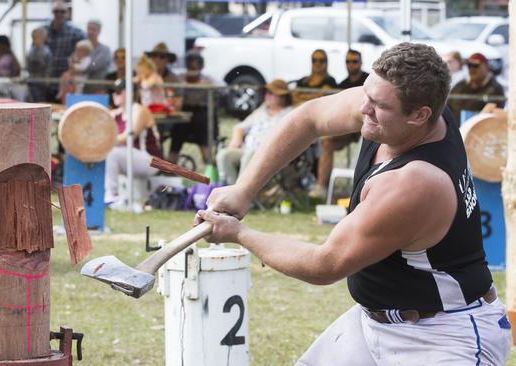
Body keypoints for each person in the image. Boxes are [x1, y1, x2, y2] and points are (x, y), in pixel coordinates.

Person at [195, 43, 511, 365]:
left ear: (419, 115)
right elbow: (310, 117)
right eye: (367, 96)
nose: (364, 109)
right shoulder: (400, 108)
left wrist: (238, 233)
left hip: (442, 337)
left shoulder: (415, 182)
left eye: (378, 105)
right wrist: (244, 189)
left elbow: (324, 265)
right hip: (374, 321)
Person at [310, 49, 368, 199]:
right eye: (348, 61)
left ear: (361, 63)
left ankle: (364, 189)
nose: (351, 65)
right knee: (327, 141)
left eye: (354, 61)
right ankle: (321, 186)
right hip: (350, 126)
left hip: (370, 124)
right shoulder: (342, 84)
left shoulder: (368, 80)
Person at [216, 79, 292, 185]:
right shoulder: (262, 111)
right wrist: (236, 140)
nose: (267, 96)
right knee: (224, 155)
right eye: (266, 93)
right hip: (247, 149)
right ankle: (231, 192)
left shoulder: (289, 114)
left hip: (269, 155)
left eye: (271, 93)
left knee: (250, 156)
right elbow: (240, 127)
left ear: (282, 97)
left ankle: (241, 195)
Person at [104, 79, 163, 206]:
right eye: (113, 92)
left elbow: (128, 137)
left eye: (118, 92)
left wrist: (103, 141)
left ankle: (111, 195)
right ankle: (98, 193)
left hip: (151, 160)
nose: (115, 95)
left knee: (112, 153)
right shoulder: (115, 114)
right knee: (103, 152)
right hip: (130, 157)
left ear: (129, 93)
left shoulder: (140, 110)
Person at [168, 52, 218, 165]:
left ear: (201, 68)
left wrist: (205, 84)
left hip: (202, 113)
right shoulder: (180, 78)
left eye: (195, 68)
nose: (193, 70)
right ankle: (171, 160)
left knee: (203, 122)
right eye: (190, 67)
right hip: (184, 112)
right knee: (178, 127)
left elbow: (221, 88)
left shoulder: (207, 79)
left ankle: (209, 160)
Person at [447, 52, 505, 125]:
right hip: (456, 131)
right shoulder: (460, 85)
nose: (472, 69)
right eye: (469, 65)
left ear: (486, 66)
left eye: (476, 65)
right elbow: (448, 107)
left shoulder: (495, 88)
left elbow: (493, 115)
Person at [45, 0, 85, 101]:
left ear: (67, 13)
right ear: (52, 12)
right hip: (47, 83)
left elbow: (86, 52)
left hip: (67, 83)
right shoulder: (44, 31)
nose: (59, 14)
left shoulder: (76, 33)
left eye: (62, 11)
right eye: (56, 11)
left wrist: (73, 69)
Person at [146, 42, 182, 110]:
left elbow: (178, 104)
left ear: (167, 60)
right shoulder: (144, 76)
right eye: (154, 56)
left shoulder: (174, 79)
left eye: (162, 57)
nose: (157, 59)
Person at [82, 19, 112, 94]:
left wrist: (81, 66)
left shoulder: (105, 50)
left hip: (99, 89)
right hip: (83, 89)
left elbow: (94, 65)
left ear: (99, 32)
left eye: (93, 29)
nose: (90, 32)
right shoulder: (82, 47)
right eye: (89, 29)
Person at [26, 27, 53, 102]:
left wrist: (47, 79)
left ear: (43, 38)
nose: (34, 40)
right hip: (32, 80)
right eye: (33, 38)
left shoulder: (46, 52)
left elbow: (49, 67)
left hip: (42, 81)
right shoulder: (31, 51)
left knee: (40, 99)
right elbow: (28, 66)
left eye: (36, 37)